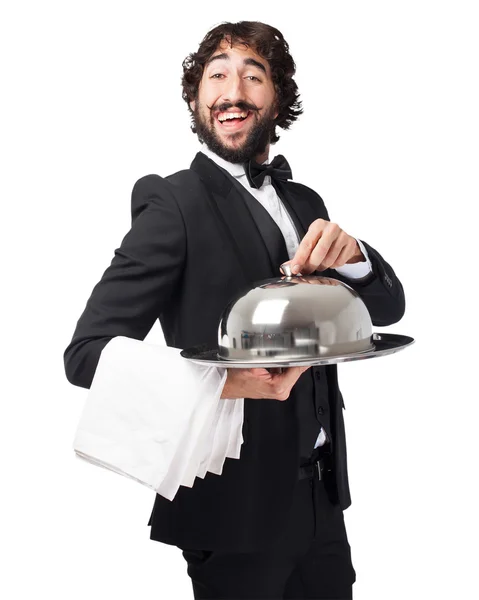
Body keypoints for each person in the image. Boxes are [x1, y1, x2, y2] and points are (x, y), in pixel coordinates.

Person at [63, 21, 405, 600]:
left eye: (253, 75)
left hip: (322, 502)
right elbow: (86, 356)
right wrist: (223, 384)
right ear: (198, 99)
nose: (233, 91)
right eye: (216, 76)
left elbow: (387, 307)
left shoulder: (305, 202)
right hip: (231, 510)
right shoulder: (173, 202)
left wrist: (354, 258)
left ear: (277, 99)